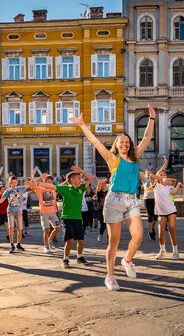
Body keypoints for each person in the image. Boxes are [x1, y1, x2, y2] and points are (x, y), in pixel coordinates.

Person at [70, 105, 155, 291]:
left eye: (127, 142)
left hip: (132, 200)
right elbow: (95, 142)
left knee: (138, 236)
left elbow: (147, 137)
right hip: (114, 201)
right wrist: (83, 125)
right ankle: (110, 276)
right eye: (121, 142)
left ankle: (127, 260)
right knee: (114, 241)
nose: (124, 144)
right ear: (116, 145)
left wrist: (152, 118)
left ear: (130, 145)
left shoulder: (135, 157)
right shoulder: (112, 158)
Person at [0, 175, 28, 253]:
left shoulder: (20, 189)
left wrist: (37, 177)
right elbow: (1, 200)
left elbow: (31, 184)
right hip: (10, 211)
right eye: (12, 182)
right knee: (11, 227)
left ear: (17, 182)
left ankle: (18, 244)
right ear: (10, 183)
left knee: (20, 228)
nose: (14, 184)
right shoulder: (8, 191)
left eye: (15, 182)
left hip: (18, 211)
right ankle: (12, 245)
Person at [153, 157, 183, 260]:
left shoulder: (169, 186)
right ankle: (162, 251)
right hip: (161, 213)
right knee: (161, 233)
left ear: (167, 176)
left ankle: (175, 251)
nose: (162, 176)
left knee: (171, 230)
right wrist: (165, 164)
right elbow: (153, 176)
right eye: (160, 175)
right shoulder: (156, 185)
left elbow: (174, 192)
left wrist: (178, 185)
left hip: (171, 211)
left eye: (164, 175)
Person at [29, 173, 61, 253]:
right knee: (47, 230)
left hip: (53, 212)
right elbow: (32, 184)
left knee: (57, 228)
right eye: (48, 181)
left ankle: (49, 240)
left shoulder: (53, 189)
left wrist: (67, 181)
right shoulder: (40, 189)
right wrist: (37, 177)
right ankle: (46, 246)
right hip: (44, 213)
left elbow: (61, 186)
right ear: (44, 182)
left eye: (51, 182)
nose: (49, 183)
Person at [142, 168, 157, 241]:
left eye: (150, 173)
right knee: (150, 215)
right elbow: (139, 172)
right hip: (147, 199)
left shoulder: (155, 180)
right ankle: (150, 231)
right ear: (145, 175)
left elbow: (161, 171)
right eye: (147, 173)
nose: (149, 174)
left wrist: (165, 163)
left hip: (155, 199)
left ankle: (153, 227)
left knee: (156, 216)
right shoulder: (144, 180)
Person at [94, 178, 108, 243]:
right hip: (101, 209)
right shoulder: (99, 192)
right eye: (102, 184)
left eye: (104, 184)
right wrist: (103, 180)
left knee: (109, 224)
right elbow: (99, 185)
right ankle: (101, 234)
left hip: (109, 209)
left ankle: (109, 237)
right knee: (103, 224)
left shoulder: (109, 191)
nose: (104, 185)